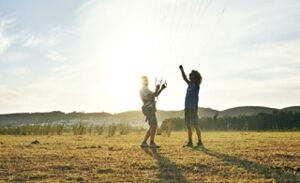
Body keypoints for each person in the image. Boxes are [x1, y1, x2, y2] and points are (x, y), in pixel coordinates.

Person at [179, 65, 203, 148]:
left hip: (192, 108)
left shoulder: (196, 85)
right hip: (187, 108)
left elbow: (187, 77)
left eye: (191, 74)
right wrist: (182, 70)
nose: (189, 75)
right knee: (189, 126)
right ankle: (190, 142)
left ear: (194, 76)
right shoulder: (189, 84)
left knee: (195, 125)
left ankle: (200, 141)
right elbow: (184, 77)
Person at [140, 76, 167, 148]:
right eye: (145, 80)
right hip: (148, 108)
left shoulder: (146, 89)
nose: (146, 82)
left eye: (146, 80)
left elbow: (155, 95)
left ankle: (144, 142)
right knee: (154, 125)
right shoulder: (143, 89)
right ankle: (152, 143)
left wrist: (161, 89)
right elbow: (151, 96)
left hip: (149, 108)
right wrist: (157, 89)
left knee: (152, 125)